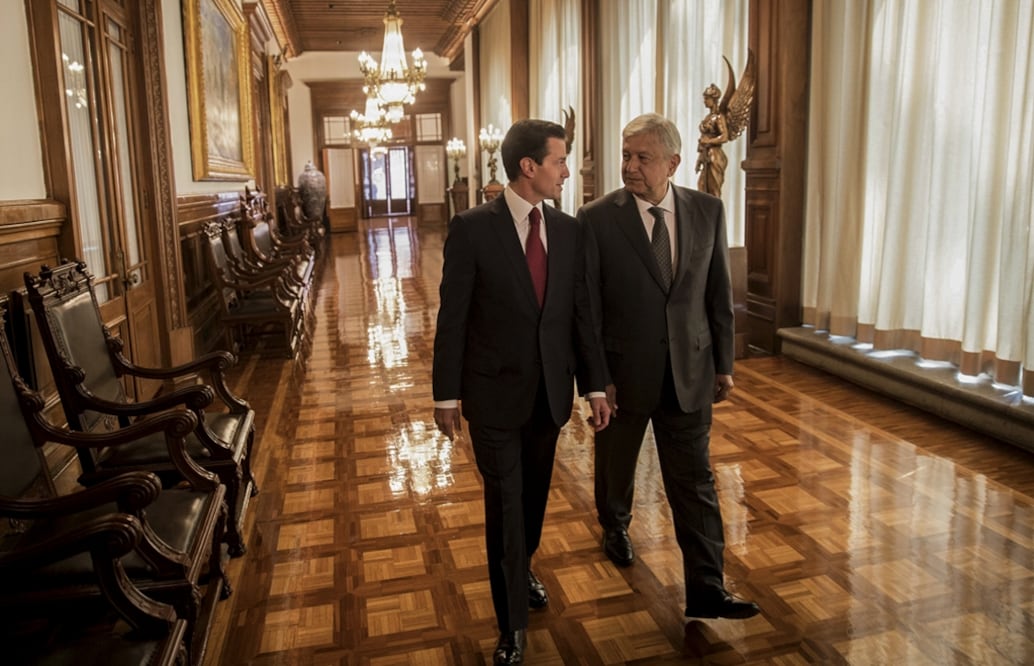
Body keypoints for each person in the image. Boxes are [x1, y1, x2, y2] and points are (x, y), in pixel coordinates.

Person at [432, 119, 611, 664]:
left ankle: (522, 567)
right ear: (529, 166)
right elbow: (453, 317)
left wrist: (595, 386)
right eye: (560, 161)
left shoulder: (569, 230)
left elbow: (581, 315)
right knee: (506, 507)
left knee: (531, 501)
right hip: (492, 397)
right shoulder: (472, 228)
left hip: (549, 396)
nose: (566, 172)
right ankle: (511, 627)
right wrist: (445, 395)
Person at [578, 113, 759, 620]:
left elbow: (717, 293)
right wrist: (598, 381)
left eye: (643, 157)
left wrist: (724, 363)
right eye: (626, 156)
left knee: (696, 482)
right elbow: (588, 309)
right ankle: (615, 525)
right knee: (616, 467)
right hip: (623, 375)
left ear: (673, 163)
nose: (630, 167)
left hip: (690, 372)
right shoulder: (596, 218)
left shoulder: (707, 210)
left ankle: (707, 588)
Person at [694, 84, 729, 197]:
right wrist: (699, 159)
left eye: (706, 98)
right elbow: (703, 139)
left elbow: (724, 136)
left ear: (713, 100)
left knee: (714, 189)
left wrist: (709, 142)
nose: (704, 101)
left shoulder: (719, 117)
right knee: (702, 186)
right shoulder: (708, 117)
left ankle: (715, 208)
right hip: (706, 154)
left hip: (715, 155)